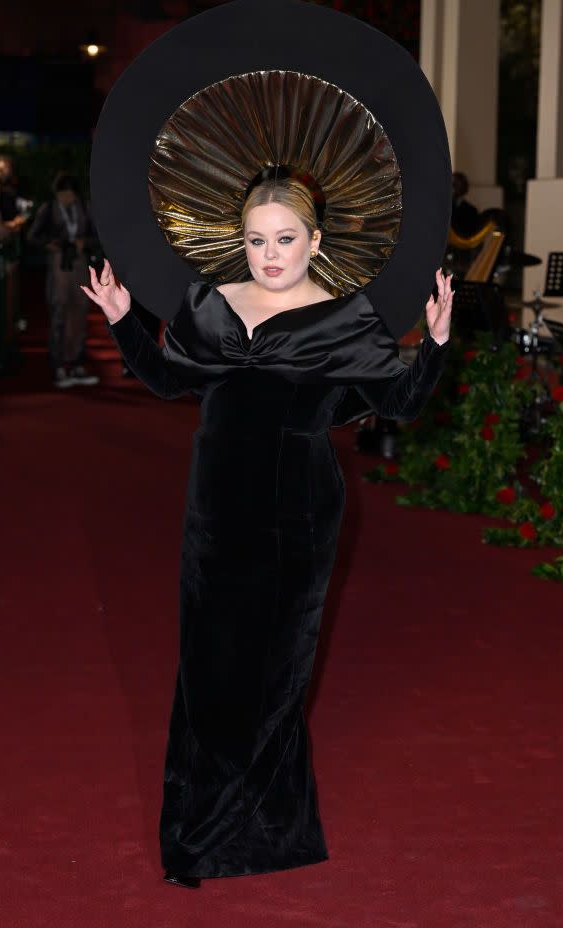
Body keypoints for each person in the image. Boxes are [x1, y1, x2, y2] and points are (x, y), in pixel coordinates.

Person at [82, 177, 453, 888]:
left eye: (285, 239)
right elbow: (166, 380)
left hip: (296, 518)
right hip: (214, 512)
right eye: (256, 240)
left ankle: (256, 832)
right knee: (207, 665)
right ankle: (198, 827)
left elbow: (398, 404)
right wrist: (125, 320)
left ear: (315, 241)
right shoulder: (210, 305)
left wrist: (432, 345)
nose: (269, 254)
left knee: (272, 673)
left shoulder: (345, 319)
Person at [28, 172, 98, 388]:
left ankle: (76, 362)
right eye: (62, 194)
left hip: (79, 262)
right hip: (58, 262)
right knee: (59, 310)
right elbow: (32, 236)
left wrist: (83, 242)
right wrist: (50, 244)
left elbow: (99, 236)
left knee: (80, 309)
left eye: (69, 194)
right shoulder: (48, 208)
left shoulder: (85, 208)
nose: (66, 198)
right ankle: (58, 365)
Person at [450, 171, 481, 237]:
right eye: (452, 184)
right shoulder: (443, 208)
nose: (453, 188)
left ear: (464, 187)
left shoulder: (471, 211)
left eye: (456, 184)